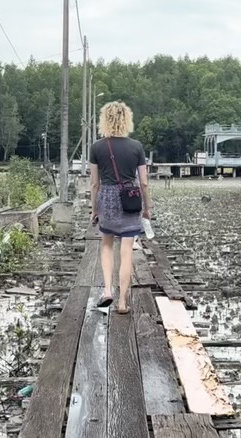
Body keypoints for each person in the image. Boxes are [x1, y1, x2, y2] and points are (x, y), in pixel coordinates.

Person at [89, 101, 151, 315]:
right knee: (126, 252)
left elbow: (94, 183)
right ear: (126, 120)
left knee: (106, 246)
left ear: (105, 120)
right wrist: (147, 208)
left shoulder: (97, 147)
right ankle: (123, 303)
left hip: (106, 198)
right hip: (130, 199)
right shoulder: (136, 147)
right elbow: (143, 182)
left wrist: (94, 209)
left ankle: (107, 290)